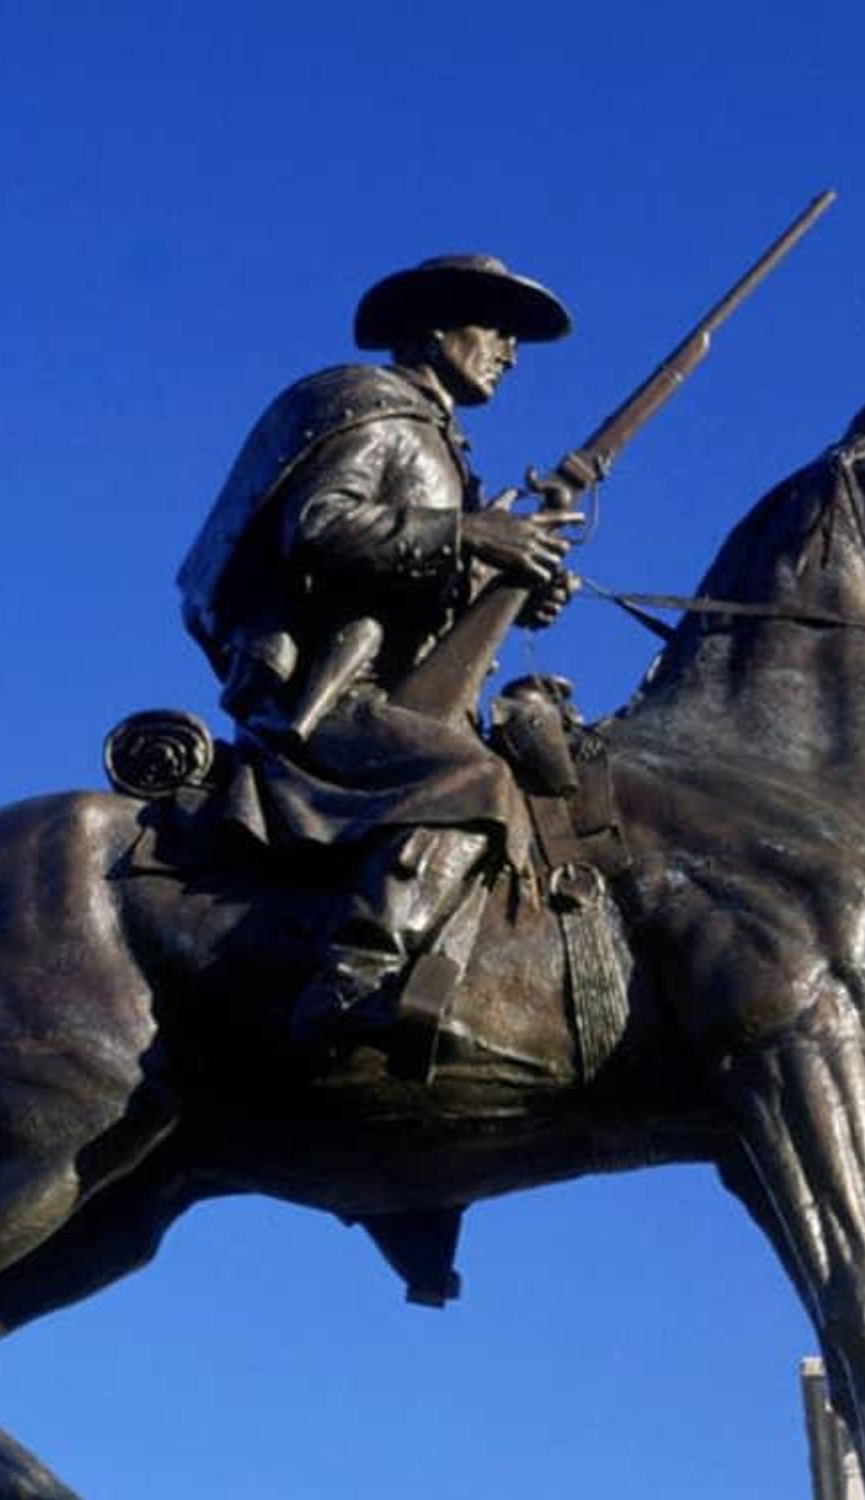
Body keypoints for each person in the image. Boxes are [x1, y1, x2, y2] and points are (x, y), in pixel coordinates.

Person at [176, 254, 582, 1072]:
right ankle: (354, 976)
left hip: (395, 695)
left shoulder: (439, 440)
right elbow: (320, 528)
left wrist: (510, 584)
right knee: (474, 782)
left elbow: (423, 595)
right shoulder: (378, 416)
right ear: (435, 327)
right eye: (494, 327)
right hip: (333, 699)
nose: (508, 349)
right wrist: (472, 536)